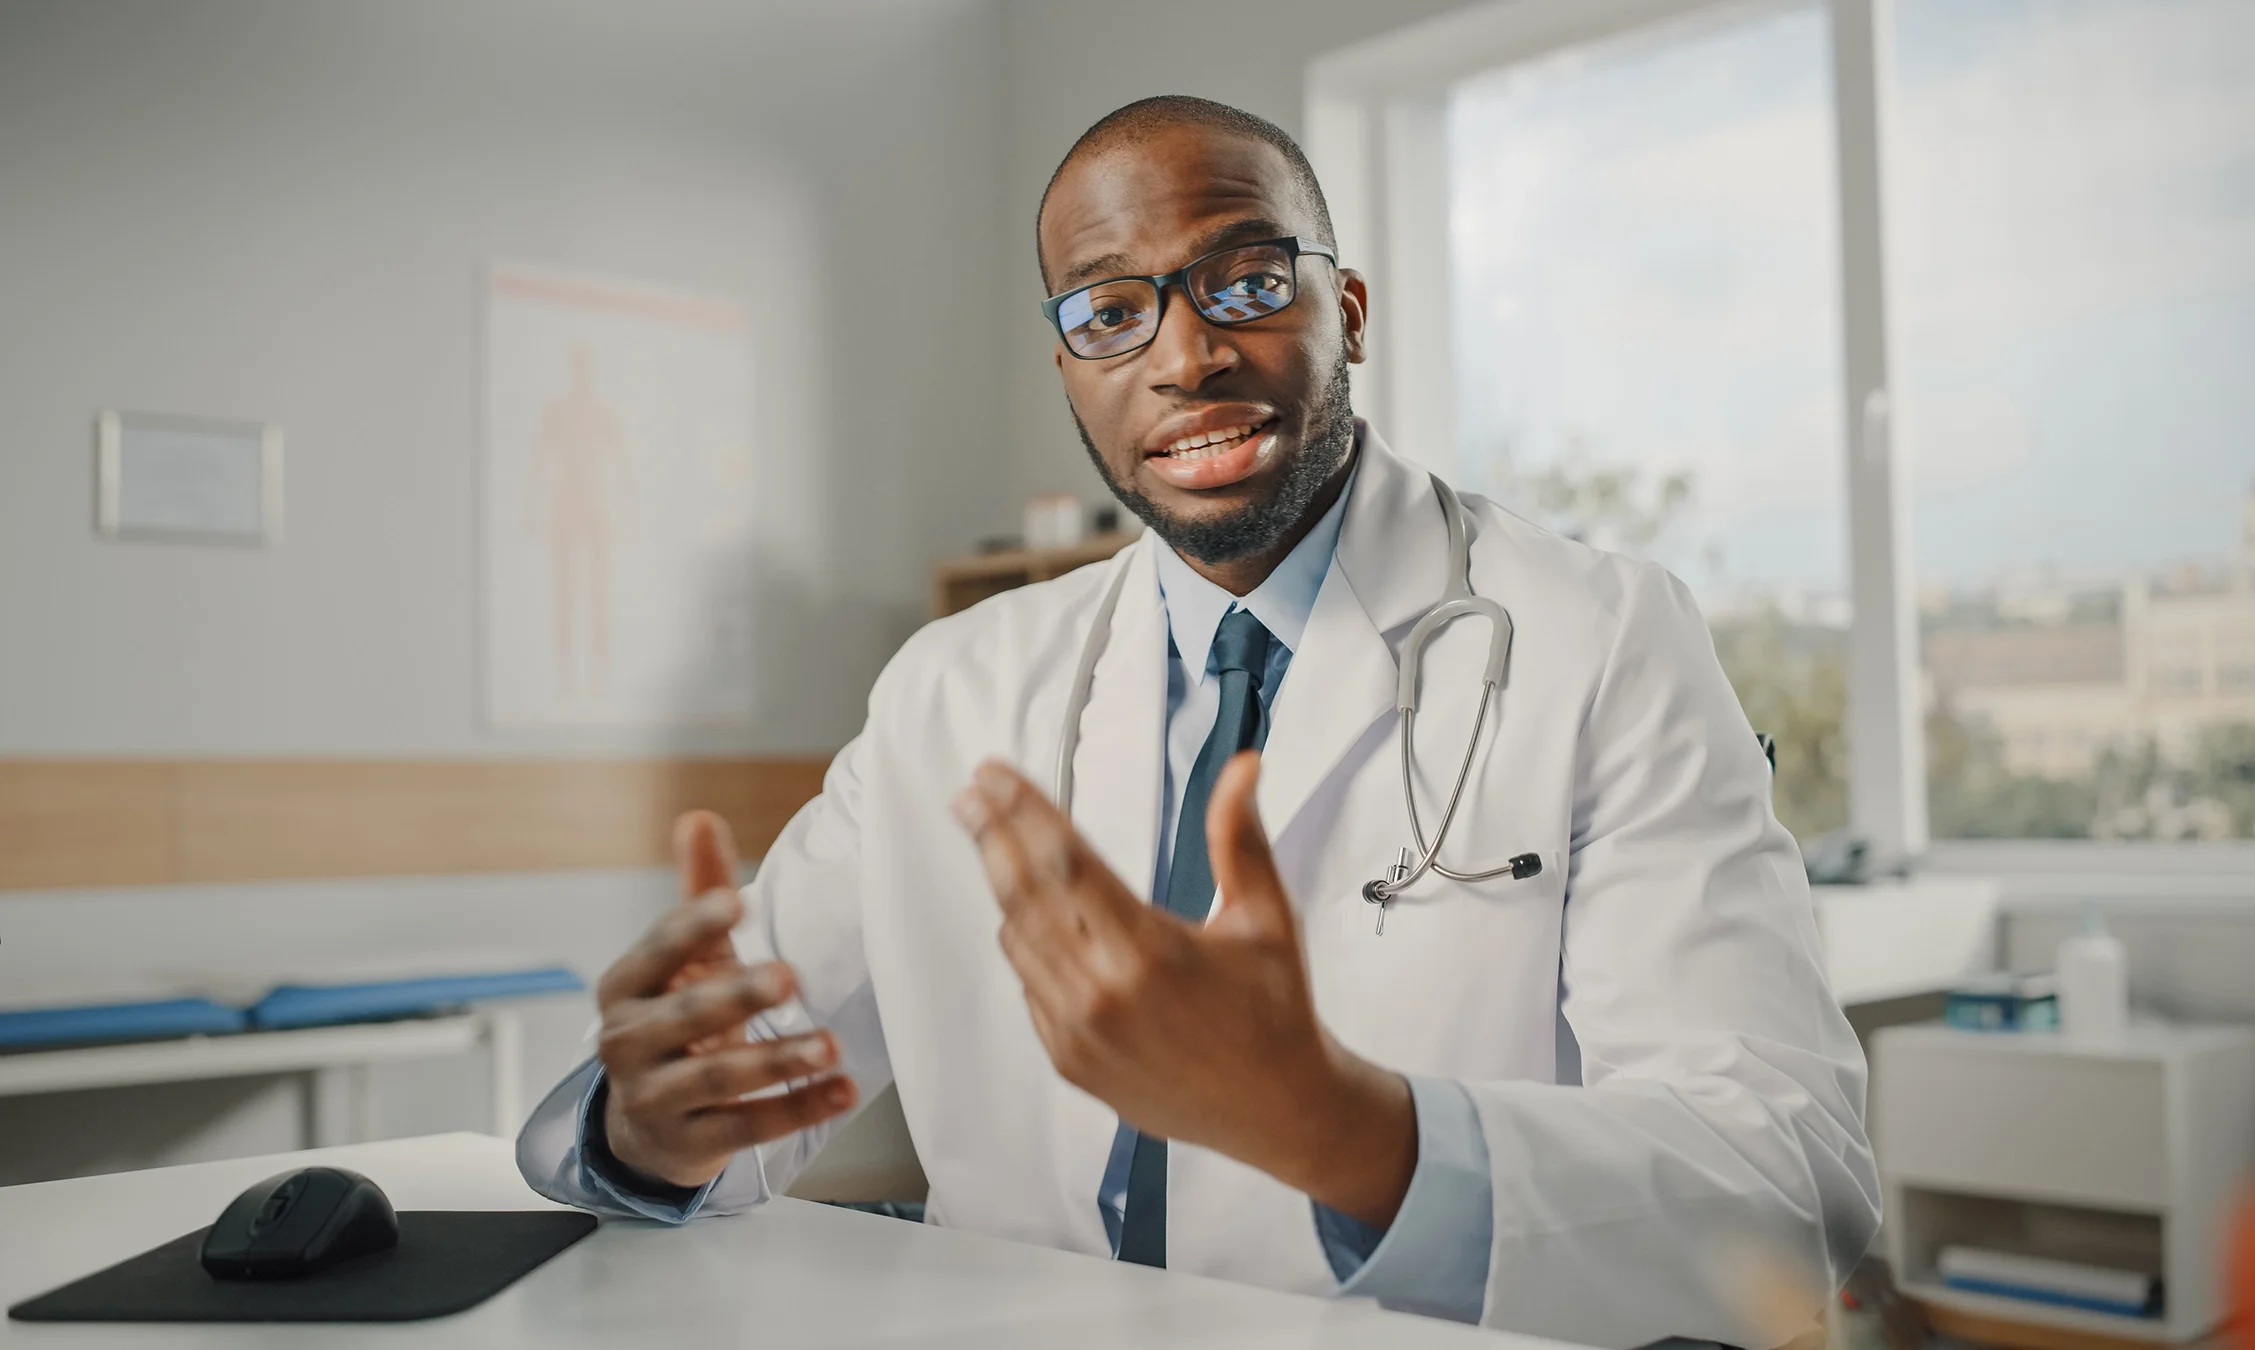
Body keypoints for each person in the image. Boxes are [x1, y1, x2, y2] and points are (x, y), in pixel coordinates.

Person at [517, 95, 1878, 1347]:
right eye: (1111, 312)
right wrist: (651, 1127)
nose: (1186, 352)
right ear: (1067, 366)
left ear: (1345, 305)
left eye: (1246, 279)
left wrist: (1343, 1129)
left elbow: (1787, 1187)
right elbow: (728, 1087)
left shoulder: (1600, 636)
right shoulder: (952, 689)